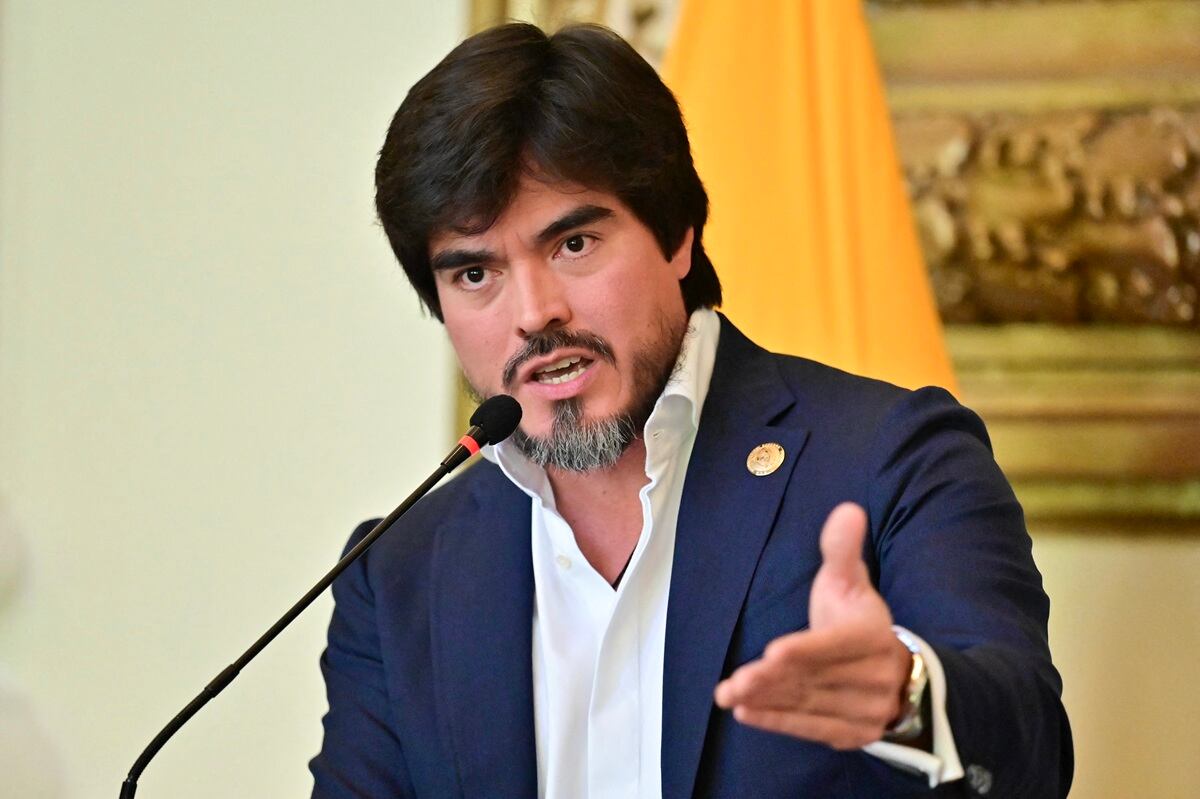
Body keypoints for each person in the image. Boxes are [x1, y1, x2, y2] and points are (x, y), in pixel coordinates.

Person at [310, 22, 1072, 799]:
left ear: (677, 234)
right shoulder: (399, 573)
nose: (534, 313)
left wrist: (906, 698)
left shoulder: (894, 458)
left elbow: (1031, 755)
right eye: (475, 273)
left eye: (573, 244)